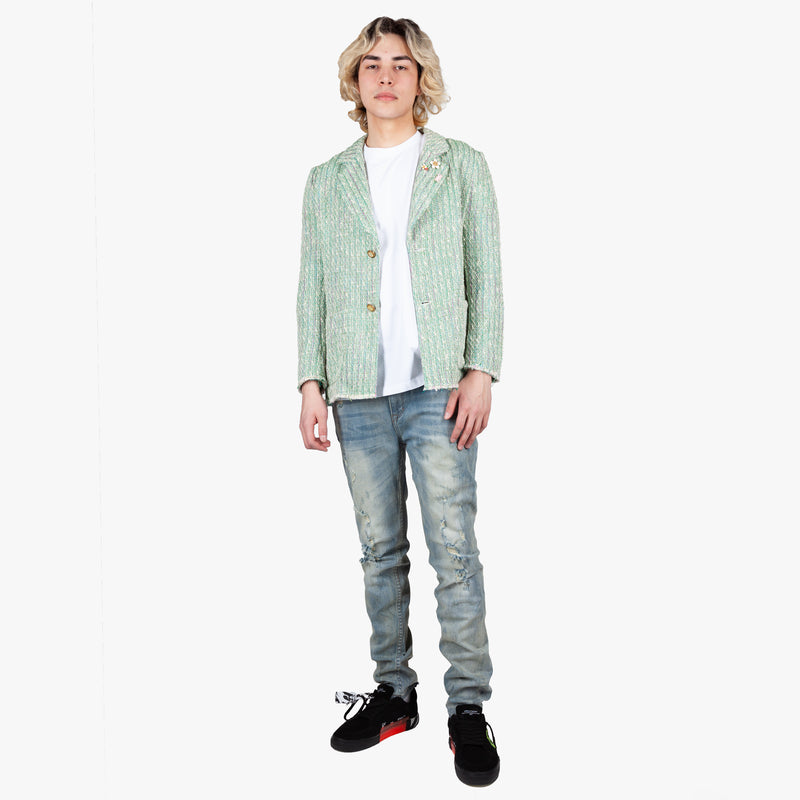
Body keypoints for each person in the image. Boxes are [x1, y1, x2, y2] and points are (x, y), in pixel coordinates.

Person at [296, 16, 503, 787]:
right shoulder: (327, 180)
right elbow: (312, 285)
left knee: (454, 551)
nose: (386, 76)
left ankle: (467, 708)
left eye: (402, 64)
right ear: (355, 79)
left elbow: (487, 273)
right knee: (379, 551)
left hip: (440, 387)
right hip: (356, 391)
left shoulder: (461, 166)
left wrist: (481, 369)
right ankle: (394, 693)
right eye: (373, 64)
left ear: (422, 79)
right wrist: (310, 381)